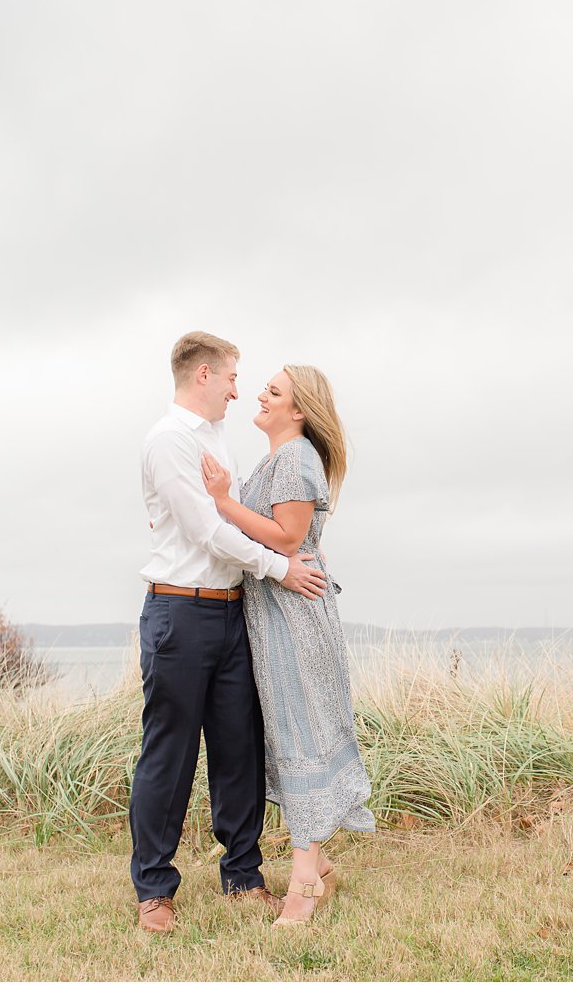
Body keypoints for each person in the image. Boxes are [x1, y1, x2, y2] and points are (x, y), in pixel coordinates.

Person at [131, 332, 328, 934]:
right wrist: (282, 568)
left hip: (231, 611)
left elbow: (225, 513)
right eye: (233, 379)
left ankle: (243, 877)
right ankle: (155, 891)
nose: (239, 392)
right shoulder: (168, 442)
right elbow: (206, 532)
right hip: (180, 614)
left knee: (238, 748)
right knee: (170, 752)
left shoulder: (215, 440)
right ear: (205, 375)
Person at [199, 363, 374, 926]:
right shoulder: (277, 458)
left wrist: (224, 501)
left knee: (303, 729)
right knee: (294, 728)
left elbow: (288, 537)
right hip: (274, 613)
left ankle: (303, 882)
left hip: (295, 615)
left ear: (298, 410)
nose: (259, 395)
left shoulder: (297, 458)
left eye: (273, 391)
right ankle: (317, 861)